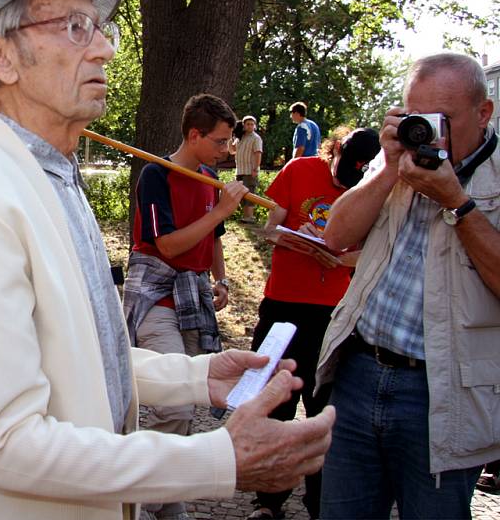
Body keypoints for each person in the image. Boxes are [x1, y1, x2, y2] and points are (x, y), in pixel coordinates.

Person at [0, 0, 334, 520]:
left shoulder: (52, 180)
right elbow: (9, 447)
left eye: (100, 27)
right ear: (3, 58)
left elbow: (81, 355)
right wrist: (218, 459)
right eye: (75, 26)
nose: (103, 48)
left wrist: (200, 376)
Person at [316, 52, 500, 519]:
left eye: (443, 118)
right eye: (418, 116)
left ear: (484, 112)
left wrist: (455, 201)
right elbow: (335, 236)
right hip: (359, 373)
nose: (428, 129)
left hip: (443, 392)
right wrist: (390, 168)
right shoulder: (397, 158)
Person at [122, 93, 248, 520]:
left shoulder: (211, 178)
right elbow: (170, 245)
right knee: (175, 401)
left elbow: (213, 239)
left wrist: (221, 278)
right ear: (194, 135)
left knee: (187, 403)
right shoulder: (157, 175)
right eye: (219, 141)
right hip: (156, 297)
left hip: (192, 299)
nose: (225, 150)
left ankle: (167, 501)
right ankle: (142, 502)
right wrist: (223, 209)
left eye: (229, 142)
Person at [247, 126, 380, 520]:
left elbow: (374, 251)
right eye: (342, 171)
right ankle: (268, 502)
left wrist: (339, 259)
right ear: (334, 149)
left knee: (325, 413)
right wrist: (293, 239)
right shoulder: (299, 168)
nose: (344, 182)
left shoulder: (374, 189)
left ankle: (321, 504)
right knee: (276, 405)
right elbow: (270, 228)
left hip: (335, 314)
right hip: (283, 306)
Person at [229, 115, 263, 223]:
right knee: (241, 194)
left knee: (250, 193)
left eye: (252, 124)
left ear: (255, 126)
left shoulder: (256, 138)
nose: (250, 126)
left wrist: (255, 169)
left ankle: (250, 217)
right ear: (243, 125)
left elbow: (258, 153)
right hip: (239, 170)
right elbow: (232, 151)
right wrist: (230, 139)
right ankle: (245, 217)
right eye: (248, 124)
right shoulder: (240, 138)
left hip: (250, 170)